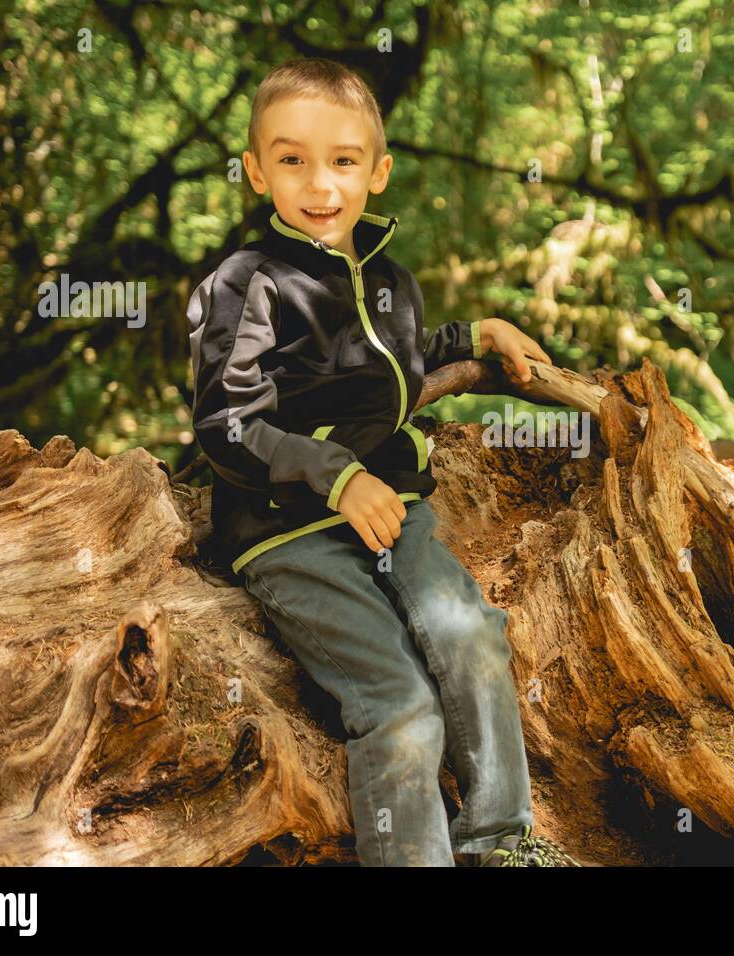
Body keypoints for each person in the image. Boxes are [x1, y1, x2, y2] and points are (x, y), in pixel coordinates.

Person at [186, 57, 579, 867]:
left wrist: (477, 335)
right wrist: (334, 475)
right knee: (401, 705)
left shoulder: (390, 281)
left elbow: (392, 364)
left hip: (395, 507)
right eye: (291, 159)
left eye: (343, 160)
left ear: (379, 171)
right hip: (285, 530)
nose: (319, 184)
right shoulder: (245, 284)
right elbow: (226, 423)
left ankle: (501, 841)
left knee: (468, 634)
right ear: (258, 171)